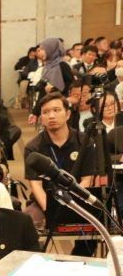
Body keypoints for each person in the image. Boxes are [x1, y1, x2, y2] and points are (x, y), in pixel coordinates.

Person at [24, 92, 97, 236]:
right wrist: (51, 211)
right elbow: (36, 186)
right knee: (28, 221)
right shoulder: (33, 147)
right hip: (44, 201)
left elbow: (87, 180)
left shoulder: (85, 142)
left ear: (68, 114)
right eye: (45, 112)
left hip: (79, 199)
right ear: (41, 118)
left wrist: (72, 206)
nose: (51, 116)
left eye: (56, 110)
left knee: (97, 224)